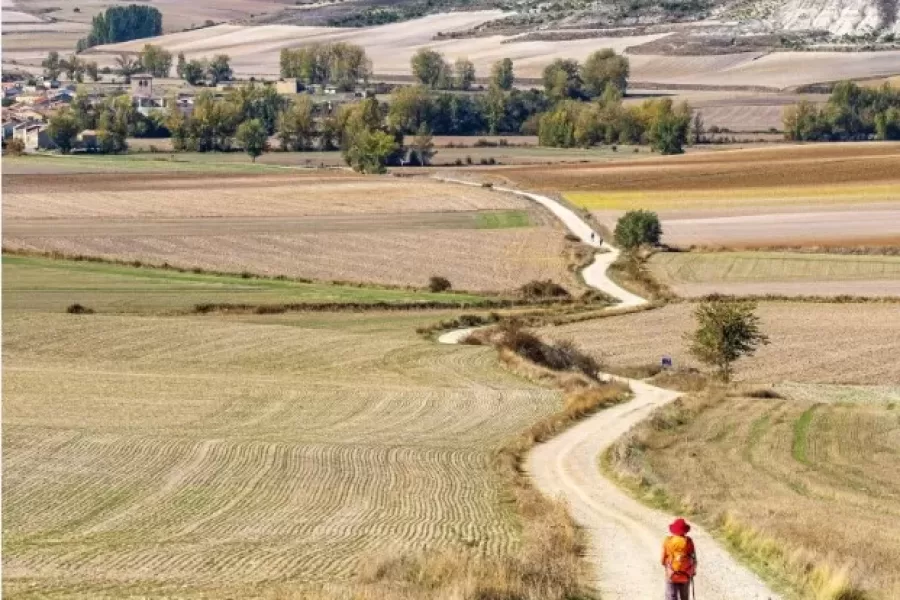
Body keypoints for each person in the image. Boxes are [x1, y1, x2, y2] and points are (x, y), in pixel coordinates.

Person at [662, 518, 696, 600]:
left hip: (671, 573)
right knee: (684, 596)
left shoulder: (668, 541)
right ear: (685, 531)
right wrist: (693, 571)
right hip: (685, 574)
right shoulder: (689, 541)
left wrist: (667, 567)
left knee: (671, 596)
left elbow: (663, 559)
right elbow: (693, 558)